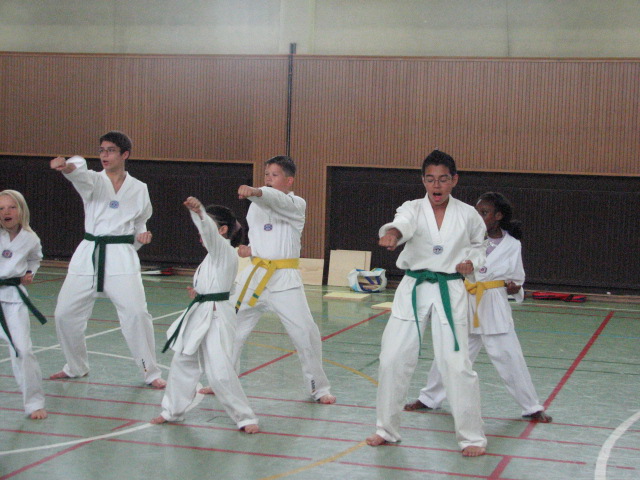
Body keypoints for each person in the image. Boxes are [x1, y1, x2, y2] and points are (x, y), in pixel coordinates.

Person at [366, 150, 487, 457]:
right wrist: (393, 234)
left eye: (443, 179)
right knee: (392, 357)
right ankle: (386, 429)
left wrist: (471, 263)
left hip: (451, 288)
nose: (437, 186)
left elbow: (479, 246)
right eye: (431, 179)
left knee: (456, 364)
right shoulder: (412, 208)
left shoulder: (468, 214)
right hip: (414, 287)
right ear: (423, 180)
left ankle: (471, 436)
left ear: (454, 180)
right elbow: (402, 224)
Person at [404, 192, 552, 423]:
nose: (478, 217)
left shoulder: (512, 245)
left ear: (498, 216)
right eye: (476, 212)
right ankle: (429, 398)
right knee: (450, 353)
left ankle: (531, 406)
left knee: (510, 358)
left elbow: (517, 277)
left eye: (484, 213)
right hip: (465, 300)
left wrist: (515, 288)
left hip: (494, 305)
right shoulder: (464, 238)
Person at [201, 156, 335, 404]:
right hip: (254, 275)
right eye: (266, 175)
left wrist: (256, 191)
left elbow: (275, 200)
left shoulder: (296, 204)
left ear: (289, 180)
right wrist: (250, 249)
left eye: (274, 175)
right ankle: (222, 380)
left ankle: (319, 388)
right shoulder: (255, 207)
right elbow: (263, 237)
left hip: (284, 280)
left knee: (305, 333)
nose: (268, 179)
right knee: (230, 327)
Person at [49, 131, 166, 388]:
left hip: (121, 255)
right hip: (88, 253)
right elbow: (77, 171)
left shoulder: (139, 188)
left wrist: (142, 236)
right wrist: (66, 166)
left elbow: (141, 221)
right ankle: (76, 366)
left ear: (125, 154)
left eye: (111, 150)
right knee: (64, 314)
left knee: (136, 314)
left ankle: (151, 372)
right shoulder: (93, 180)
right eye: (101, 150)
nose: (104, 155)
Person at [151, 197, 259, 433]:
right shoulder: (211, 256)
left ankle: (245, 417)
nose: (202, 233)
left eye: (207, 226)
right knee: (183, 362)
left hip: (218, 316)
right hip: (201, 312)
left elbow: (209, 234)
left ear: (222, 230)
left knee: (219, 371)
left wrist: (199, 212)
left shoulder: (223, 249)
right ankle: (172, 411)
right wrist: (199, 292)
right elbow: (217, 283)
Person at [0, 190, 48, 419]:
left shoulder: (30, 238)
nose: (6, 212)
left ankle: (34, 403)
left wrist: (30, 272)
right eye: (1, 208)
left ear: (21, 210)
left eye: (11, 207)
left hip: (13, 299)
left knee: (23, 350)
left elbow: (35, 258)